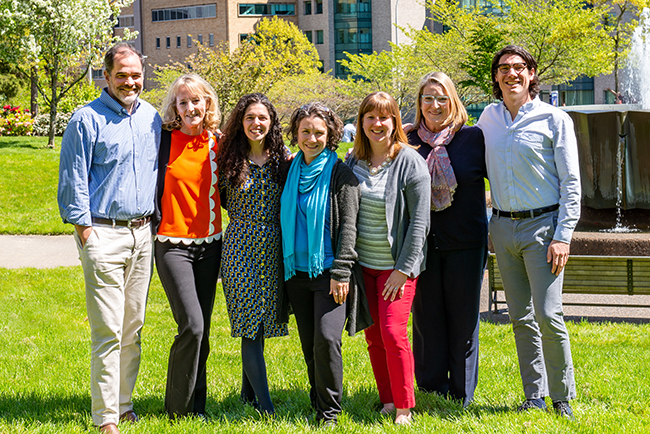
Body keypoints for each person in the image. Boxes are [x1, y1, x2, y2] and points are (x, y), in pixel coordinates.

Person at [57, 43, 161, 434]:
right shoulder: (86, 120)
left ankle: (124, 404)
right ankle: (106, 419)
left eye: (135, 74)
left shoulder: (151, 117)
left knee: (133, 327)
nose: (130, 81)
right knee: (108, 329)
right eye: (122, 75)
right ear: (107, 77)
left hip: (143, 235)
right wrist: (86, 231)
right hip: (103, 233)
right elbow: (72, 181)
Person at [477, 45, 581, 419]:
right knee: (520, 317)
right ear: (496, 77)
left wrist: (563, 235)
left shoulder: (555, 120)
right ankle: (533, 394)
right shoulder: (487, 119)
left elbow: (571, 183)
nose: (511, 74)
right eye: (503, 68)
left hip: (545, 228)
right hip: (502, 227)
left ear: (532, 74)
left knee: (548, 314)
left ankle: (562, 396)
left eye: (519, 67)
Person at [280, 103, 372, 426]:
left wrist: (342, 270)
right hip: (296, 274)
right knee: (309, 345)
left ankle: (330, 412)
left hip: (330, 273)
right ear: (296, 134)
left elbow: (349, 226)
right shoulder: (289, 172)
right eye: (305, 131)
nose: (312, 138)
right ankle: (316, 400)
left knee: (327, 339)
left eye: (319, 132)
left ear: (331, 135)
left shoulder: (341, 175)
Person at [346, 92, 430, 425]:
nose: (377, 124)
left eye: (385, 117)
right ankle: (387, 400)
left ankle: (405, 407)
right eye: (370, 117)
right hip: (363, 266)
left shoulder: (410, 161)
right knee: (373, 336)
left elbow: (420, 223)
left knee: (393, 333)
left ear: (395, 121)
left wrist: (403, 270)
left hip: (396, 268)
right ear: (361, 122)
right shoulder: (353, 160)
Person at [407, 72, 488, 407]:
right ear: (419, 103)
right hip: (422, 243)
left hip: (466, 242)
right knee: (427, 319)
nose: (435, 105)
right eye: (428, 98)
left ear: (453, 101)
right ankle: (430, 388)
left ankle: (462, 393)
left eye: (441, 98)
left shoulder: (473, 139)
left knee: (463, 318)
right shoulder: (408, 139)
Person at [153, 74, 222, 418]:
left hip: (211, 246)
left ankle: (198, 406)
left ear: (207, 103)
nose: (191, 107)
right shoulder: (162, 140)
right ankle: (176, 410)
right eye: (184, 102)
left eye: (197, 100)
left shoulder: (219, 144)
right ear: (175, 108)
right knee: (191, 325)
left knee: (203, 329)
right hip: (172, 245)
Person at [217, 93, 289, 415]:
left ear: (271, 121)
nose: (256, 123)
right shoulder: (228, 156)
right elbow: (218, 197)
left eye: (262, 118)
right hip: (239, 249)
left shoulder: (283, 159)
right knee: (249, 325)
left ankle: (247, 395)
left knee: (262, 324)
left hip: (274, 248)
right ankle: (266, 406)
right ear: (240, 122)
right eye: (249, 118)